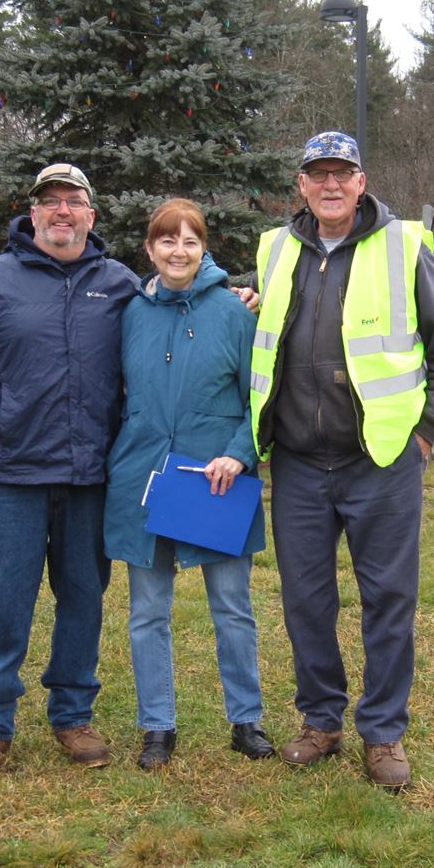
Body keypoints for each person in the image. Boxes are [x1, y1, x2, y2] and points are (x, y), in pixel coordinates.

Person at [249, 132, 434, 790]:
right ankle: (320, 721)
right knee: (306, 603)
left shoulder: (403, 246)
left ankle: (383, 733)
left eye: (341, 174)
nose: (330, 185)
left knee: (388, 601)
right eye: (318, 175)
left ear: (362, 180)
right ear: (301, 186)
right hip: (296, 464)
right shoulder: (275, 249)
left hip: (382, 461)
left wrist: (426, 432)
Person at [0, 162, 139, 782]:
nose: (61, 212)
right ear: (32, 214)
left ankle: (72, 715)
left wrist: (228, 296)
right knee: (2, 603)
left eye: (73, 201)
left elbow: (174, 324)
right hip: (9, 476)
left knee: (83, 599)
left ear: (91, 215)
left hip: (89, 481)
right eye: (49, 202)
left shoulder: (122, 285)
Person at [103, 198, 274, 771]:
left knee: (232, 606)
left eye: (190, 241)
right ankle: (157, 727)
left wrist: (239, 455)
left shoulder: (234, 313)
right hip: (145, 482)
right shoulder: (130, 313)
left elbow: (262, 397)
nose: (179, 251)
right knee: (148, 611)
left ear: (204, 249)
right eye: (167, 241)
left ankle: (245, 720)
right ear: (149, 250)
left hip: (214, 484)